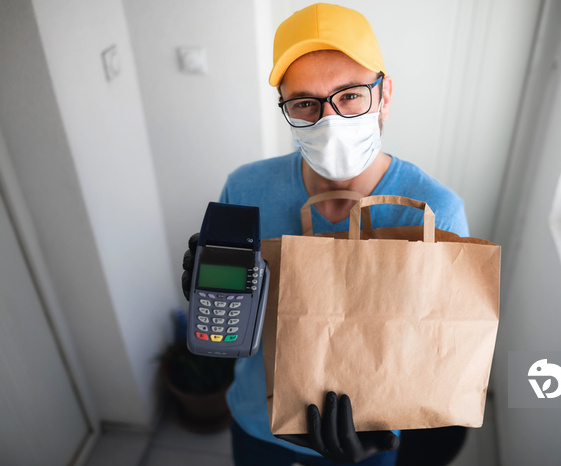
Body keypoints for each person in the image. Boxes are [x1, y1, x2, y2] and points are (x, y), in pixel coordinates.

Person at [182, 3, 469, 465]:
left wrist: (386, 438)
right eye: (305, 103)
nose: (329, 121)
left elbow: (439, 353)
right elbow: (229, 325)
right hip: (258, 423)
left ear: (385, 95)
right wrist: (209, 293)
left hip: (364, 440)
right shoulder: (245, 188)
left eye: (350, 94)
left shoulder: (436, 214)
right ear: (286, 109)